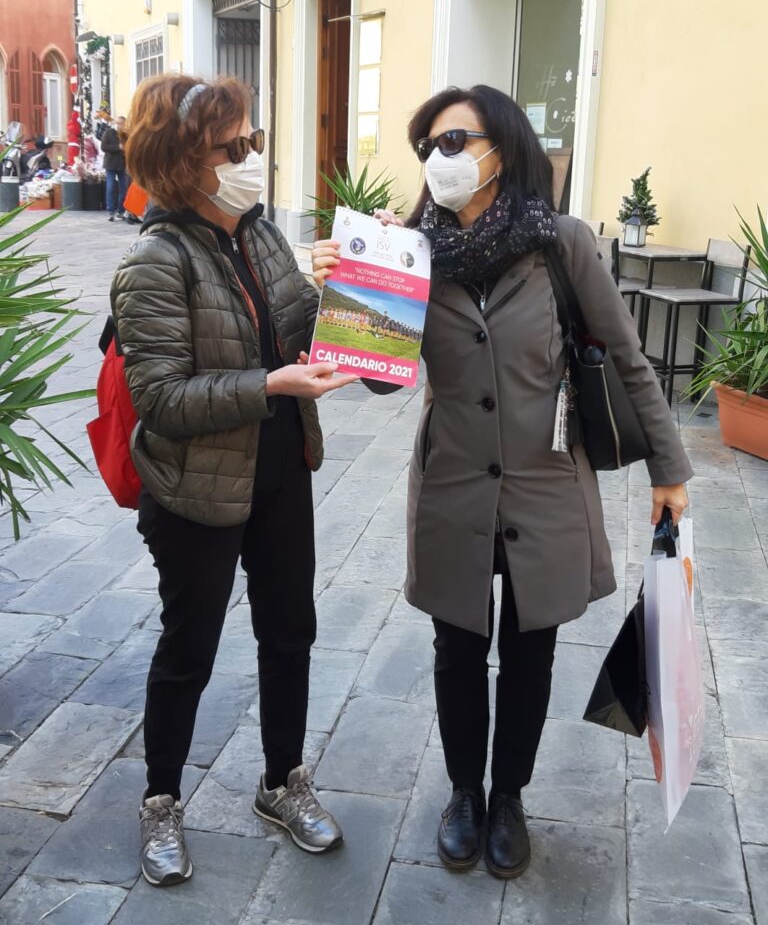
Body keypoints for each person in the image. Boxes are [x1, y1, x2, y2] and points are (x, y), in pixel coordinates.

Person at [312, 84, 691, 880]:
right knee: (457, 647)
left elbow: (628, 359)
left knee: (530, 650)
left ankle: (509, 796)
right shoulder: (410, 250)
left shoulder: (562, 245)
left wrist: (669, 470)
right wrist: (359, 286)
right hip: (452, 481)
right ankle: (464, 793)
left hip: (545, 481)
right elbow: (378, 378)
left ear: (502, 148)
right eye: (429, 147)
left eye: (455, 141)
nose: (438, 159)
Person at [111, 73, 357, 887]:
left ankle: (283, 782)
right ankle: (160, 802)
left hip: (282, 471)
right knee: (189, 650)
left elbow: (302, 331)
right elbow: (161, 399)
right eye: (235, 146)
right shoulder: (155, 260)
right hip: (196, 490)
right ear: (185, 160)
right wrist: (269, 385)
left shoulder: (264, 236)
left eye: (254, 139)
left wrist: (356, 282)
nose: (253, 157)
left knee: (290, 632)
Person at [102, 114, 128, 222]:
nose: (120, 126)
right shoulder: (109, 132)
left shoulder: (126, 134)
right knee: (111, 187)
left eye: (122, 124)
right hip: (111, 164)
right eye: (118, 123)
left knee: (124, 188)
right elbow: (104, 147)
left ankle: (121, 211)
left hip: (122, 164)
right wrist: (118, 147)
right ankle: (111, 211)